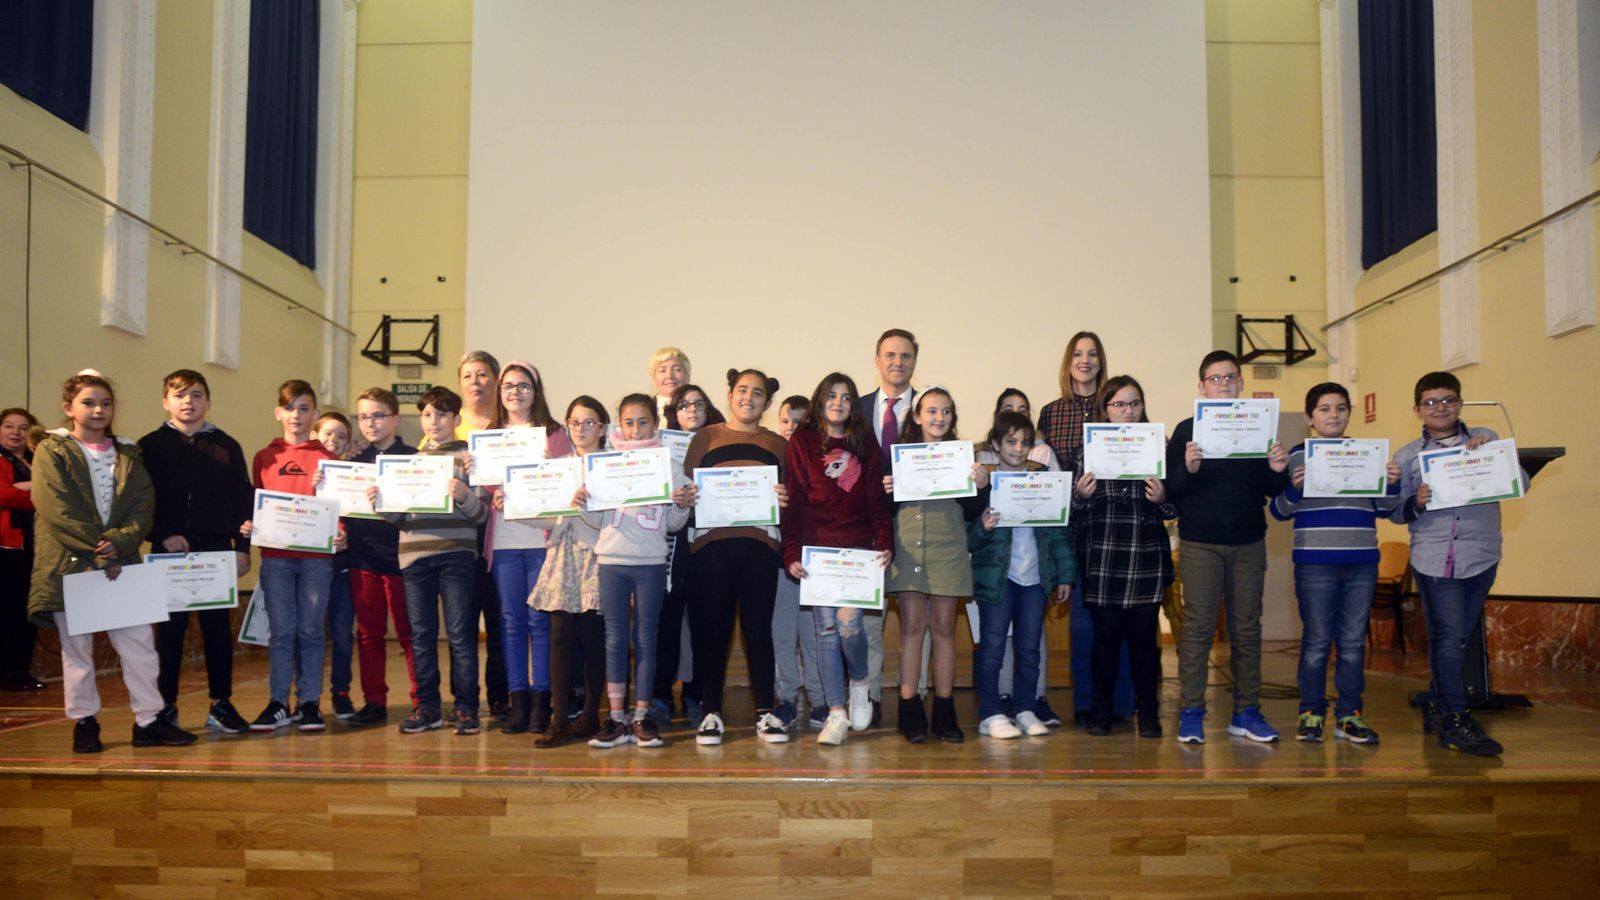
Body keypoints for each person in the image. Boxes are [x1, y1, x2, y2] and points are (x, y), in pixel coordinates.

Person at [29, 371, 196, 752]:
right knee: (77, 652)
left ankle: (149, 721)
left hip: (123, 563)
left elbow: (143, 506)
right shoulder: (51, 451)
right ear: (68, 408)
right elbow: (57, 510)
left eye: (105, 403)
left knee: (139, 645)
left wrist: (120, 543)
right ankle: (85, 722)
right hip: (71, 566)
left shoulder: (128, 453)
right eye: (88, 402)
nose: (99, 409)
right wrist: (100, 548)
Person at [1392, 372, 1527, 757]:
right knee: (1449, 638)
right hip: (1434, 558)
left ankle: (1439, 706)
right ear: (1418, 409)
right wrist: (1416, 500)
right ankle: (1456, 717)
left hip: (1481, 554)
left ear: (1460, 404)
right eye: (1431, 402)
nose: (1440, 408)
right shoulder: (1406, 456)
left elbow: (1520, 484)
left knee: (1458, 637)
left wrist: (1492, 458)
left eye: (1448, 400)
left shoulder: (1486, 439)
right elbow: (1396, 513)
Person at [1164, 351, 1289, 744]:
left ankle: (1246, 711)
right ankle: (1191, 710)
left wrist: (1278, 470)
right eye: (1215, 379)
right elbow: (1170, 491)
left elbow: (1270, 491)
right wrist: (1189, 468)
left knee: (1247, 629)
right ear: (1201, 387)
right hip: (1200, 542)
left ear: (1241, 384)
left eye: (1230, 378)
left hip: (1249, 541)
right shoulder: (1187, 430)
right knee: (1199, 628)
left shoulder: (1259, 427)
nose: (1224, 385)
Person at [1270, 383, 1401, 745]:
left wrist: (1391, 485)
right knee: (1315, 642)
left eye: (1340, 408)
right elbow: (1278, 512)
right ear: (1311, 418)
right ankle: (1311, 713)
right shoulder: (1297, 456)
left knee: (1353, 644)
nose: (1333, 415)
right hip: (1315, 563)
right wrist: (1294, 489)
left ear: (1348, 414)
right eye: (1324, 409)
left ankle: (1349, 715)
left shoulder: (1367, 455)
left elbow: (1387, 510)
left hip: (1361, 563)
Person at [137, 370, 253, 733]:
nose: (189, 401)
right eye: (180, 394)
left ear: (208, 402)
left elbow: (242, 499)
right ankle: (165, 706)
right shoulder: (149, 446)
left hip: (216, 551)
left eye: (197, 394)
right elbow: (140, 502)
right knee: (169, 634)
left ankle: (221, 704)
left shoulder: (227, 445)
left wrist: (242, 548)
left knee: (217, 632)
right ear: (165, 402)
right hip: (169, 552)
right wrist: (161, 534)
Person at [680, 368, 790, 745]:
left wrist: (784, 500)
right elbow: (686, 488)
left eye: (757, 392)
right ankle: (711, 711)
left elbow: (789, 499)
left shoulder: (778, 444)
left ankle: (765, 712)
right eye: (742, 390)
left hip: (760, 548)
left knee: (759, 630)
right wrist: (687, 497)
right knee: (714, 631)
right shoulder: (705, 438)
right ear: (729, 396)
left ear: (767, 402)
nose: (749, 397)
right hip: (711, 547)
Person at [782, 374, 893, 745]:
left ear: (853, 405)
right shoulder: (802, 442)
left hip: (858, 552)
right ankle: (836, 712)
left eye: (846, 397)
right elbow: (794, 501)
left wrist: (885, 543)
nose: (839, 403)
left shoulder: (866, 442)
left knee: (849, 627)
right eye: (831, 395)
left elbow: (877, 501)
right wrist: (791, 551)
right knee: (825, 633)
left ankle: (858, 682)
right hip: (818, 553)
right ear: (820, 400)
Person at [378, 387, 488, 736]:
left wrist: (466, 496)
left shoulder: (471, 459)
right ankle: (427, 708)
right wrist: (381, 504)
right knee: (421, 636)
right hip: (414, 559)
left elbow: (482, 514)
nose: (434, 421)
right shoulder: (407, 463)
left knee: (460, 635)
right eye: (427, 414)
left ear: (456, 420)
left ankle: (466, 708)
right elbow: (400, 519)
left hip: (456, 555)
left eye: (442, 414)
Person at [583, 394, 691, 749]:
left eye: (642, 421)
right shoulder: (604, 463)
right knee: (614, 639)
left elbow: (675, 524)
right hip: (612, 561)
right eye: (628, 422)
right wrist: (583, 504)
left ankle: (642, 716)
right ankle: (616, 718)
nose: (635, 429)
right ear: (619, 424)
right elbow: (597, 520)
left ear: (655, 424)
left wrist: (681, 504)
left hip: (649, 562)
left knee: (646, 639)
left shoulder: (669, 466)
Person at [1072, 376, 1176, 739]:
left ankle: (1148, 711)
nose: (1127, 411)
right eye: (1119, 404)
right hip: (1102, 555)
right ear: (1106, 409)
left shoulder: (1158, 447)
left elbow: (1174, 508)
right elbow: (1072, 510)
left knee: (1145, 640)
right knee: (1105, 640)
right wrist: (1081, 496)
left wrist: (1163, 496)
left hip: (1145, 555)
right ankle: (1100, 710)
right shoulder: (1088, 450)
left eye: (1134, 404)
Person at [884, 387, 989, 743]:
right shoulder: (898, 458)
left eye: (946, 412)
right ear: (917, 416)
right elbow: (884, 511)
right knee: (912, 629)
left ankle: (945, 712)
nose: (938, 418)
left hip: (948, 550)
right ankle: (909, 709)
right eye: (931, 411)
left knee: (944, 628)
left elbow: (974, 513)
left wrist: (983, 486)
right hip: (908, 549)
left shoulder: (963, 457)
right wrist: (886, 489)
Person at [244, 380, 344, 733]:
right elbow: (257, 506)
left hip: (316, 559)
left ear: (315, 415)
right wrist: (250, 525)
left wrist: (341, 531)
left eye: (304, 408)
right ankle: (277, 703)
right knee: (282, 632)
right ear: (278, 413)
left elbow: (340, 509)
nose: (297, 415)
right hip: (275, 557)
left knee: (311, 630)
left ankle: (309, 702)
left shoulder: (328, 460)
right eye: (290, 408)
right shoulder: (264, 458)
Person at [477, 361, 571, 736]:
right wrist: (485, 481)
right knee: (511, 623)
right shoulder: (489, 435)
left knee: (539, 622)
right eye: (508, 386)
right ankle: (518, 702)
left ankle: (541, 703)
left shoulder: (554, 433)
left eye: (523, 386)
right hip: (503, 541)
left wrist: (549, 471)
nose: (515, 392)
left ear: (536, 390)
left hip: (540, 540)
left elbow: (568, 485)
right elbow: (485, 487)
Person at [969, 411, 1075, 740]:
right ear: (996, 444)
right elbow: (970, 539)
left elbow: (1058, 533)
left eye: (1025, 443)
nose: (1018, 449)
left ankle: (1025, 708)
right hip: (998, 580)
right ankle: (989, 712)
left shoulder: (1042, 479)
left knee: (1030, 649)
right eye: (1011, 442)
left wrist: (1065, 575)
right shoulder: (983, 483)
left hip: (1034, 580)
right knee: (992, 648)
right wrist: (983, 527)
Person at [530, 396, 610, 748]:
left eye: (589, 422)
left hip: (599, 554)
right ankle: (558, 718)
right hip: (563, 555)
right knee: (560, 636)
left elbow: (614, 517)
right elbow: (544, 518)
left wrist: (586, 508)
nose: (581, 429)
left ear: (603, 428)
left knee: (594, 638)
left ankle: (592, 713)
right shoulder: (556, 466)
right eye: (574, 423)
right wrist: (514, 505)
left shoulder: (613, 466)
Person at [647, 383, 723, 729]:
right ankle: (660, 695)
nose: (691, 409)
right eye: (683, 404)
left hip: (710, 544)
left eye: (698, 404)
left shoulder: (721, 441)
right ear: (673, 413)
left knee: (705, 625)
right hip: (673, 545)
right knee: (667, 623)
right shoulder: (658, 450)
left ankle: (696, 696)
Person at [343, 388, 418, 727]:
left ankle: (422, 701)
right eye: (363, 417)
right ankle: (374, 702)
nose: (370, 423)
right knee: (369, 636)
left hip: (405, 559)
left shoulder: (415, 459)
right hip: (363, 559)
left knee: (410, 634)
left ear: (395, 418)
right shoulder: (351, 462)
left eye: (377, 415)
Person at [859, 328, 920, 727]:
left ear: (915, 360)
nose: (898, 363)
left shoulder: (930, 409)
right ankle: (869, 696)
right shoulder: (858, 408)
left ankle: (917, 697)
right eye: (890, 355)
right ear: (877, 360)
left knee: (919, 619)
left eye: (906, 356)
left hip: (918, 525)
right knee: (869, 619)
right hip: (865, 528)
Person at [455, 350, 509, 719]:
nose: (476, 382)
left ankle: (501, 698)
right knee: (461, 628)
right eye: (468, 375)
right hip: (458, 542)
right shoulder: (442, 428)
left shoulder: (511, 430)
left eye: (483, 375)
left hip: (503, 536)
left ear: (496, 380)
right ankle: (464, 702)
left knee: (500, 623)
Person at [771, 393, 826, 732]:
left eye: (800, 421)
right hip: (780, 561)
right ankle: (787, 698)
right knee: (781, 633)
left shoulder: (824, 462)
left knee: (815, 634)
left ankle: (820, 698)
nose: (791, 428)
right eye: (785, 421)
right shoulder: (768, 464)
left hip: (818, 560)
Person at [312, 411, 359, 721]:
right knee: (310, 632)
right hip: (309, 566)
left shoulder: (354, 473)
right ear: (315, 435)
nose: (334, 440)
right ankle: (307, 697)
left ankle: (340, 692)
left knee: (342, 633)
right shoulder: (304, 473)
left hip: (343, 566)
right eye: (328, 433)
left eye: (341, 436)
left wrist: (347, 536)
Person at [1, 407, 42, 692]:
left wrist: (27, 486)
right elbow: (4, 494)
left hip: (35, 546)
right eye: (8, 426)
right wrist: (35, 492)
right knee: (6, 609)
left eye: (23, 427)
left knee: (27, 611)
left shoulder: (36, 460)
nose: (16, 432)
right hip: (6, 545)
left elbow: (53, 494)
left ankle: (20, 670)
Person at [649, 347, 691, 427]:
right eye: (662, 370)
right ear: (654, 378)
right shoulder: (644, 411)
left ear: (687, 376)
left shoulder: (702, 410)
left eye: (677, 369)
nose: (669, 376)